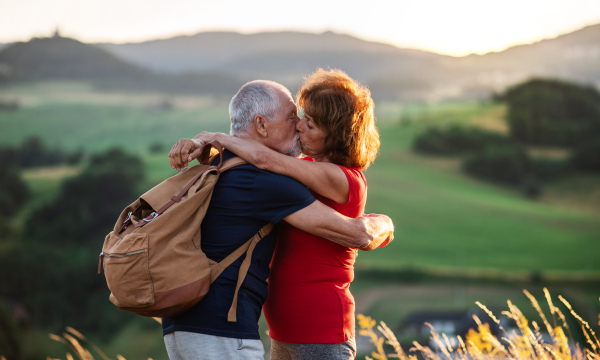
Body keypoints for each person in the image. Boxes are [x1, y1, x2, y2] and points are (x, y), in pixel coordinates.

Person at [165, 78, 394, 360]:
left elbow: (265, 160)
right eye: (299, 117)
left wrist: (218, 138)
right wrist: (206, 147)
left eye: (309, 124)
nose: (298, 125)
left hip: (320, 326)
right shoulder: (298, 172)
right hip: (284, 329)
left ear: (333, 136)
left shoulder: (342, 178)